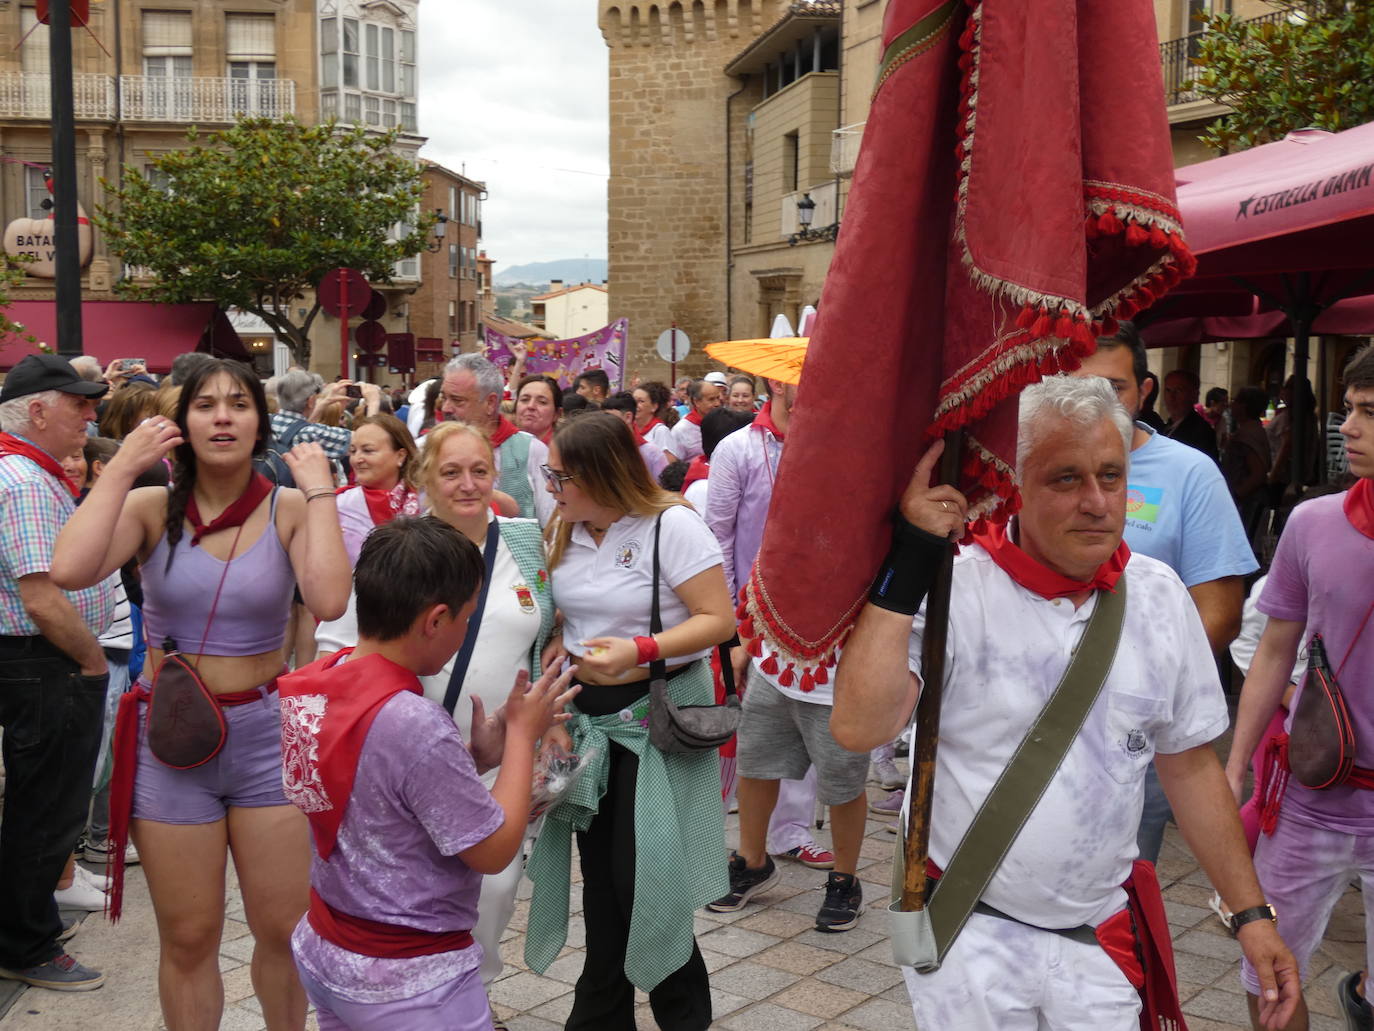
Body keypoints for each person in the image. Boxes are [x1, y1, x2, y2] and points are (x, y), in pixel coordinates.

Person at [833, 375, 1299, 1031]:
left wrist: (1252, 914)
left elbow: (1190, 765)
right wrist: (911, 557)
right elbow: (858, 727)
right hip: (970, 932)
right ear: (1014, 483)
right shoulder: (956, 586)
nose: (1098, 501)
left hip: (1097, 933)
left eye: (1112, 476)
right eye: (1065, 479)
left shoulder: (1160, 595)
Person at [50, 359, 351, 1030]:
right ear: (182, 423)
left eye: (238, 404)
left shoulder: (289, 507)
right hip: (171, 743)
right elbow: (69, 568)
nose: (222, 415)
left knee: (282, 929)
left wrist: (322, 491)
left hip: (267, 739)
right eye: (206, 405)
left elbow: (329, 598)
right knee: (189, 938)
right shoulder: (149, 506)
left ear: (260, 425)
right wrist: (124, 466)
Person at [282, 516, 577, 1031]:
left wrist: (476, 758)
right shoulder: (414, 720)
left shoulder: (317, 684)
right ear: (436, 620)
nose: (466, 632)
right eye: (467, 619)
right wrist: (521, 741)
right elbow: (492, 850)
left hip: (329, 946)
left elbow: (378, 792)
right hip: (410, 980)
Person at [316, 420, 555, 998]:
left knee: (496, 885)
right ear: (424, 477)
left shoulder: (527, 540)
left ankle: (474, 993)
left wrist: (547, 726)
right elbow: (339, 641)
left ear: (497, 475)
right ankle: (414, 993)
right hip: (408, 756)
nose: (468, 484)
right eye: (451, 472)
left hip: (500, 752)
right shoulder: (398, 547)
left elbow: (548, 630)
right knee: (415, 886)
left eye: (479, 470)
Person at [523, 412, 734, 1031]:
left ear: (601, 474)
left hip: (654, 725)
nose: (553, 486)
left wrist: (640, 649)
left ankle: (657, 1011)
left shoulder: (672, 526)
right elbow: (561, 608)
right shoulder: (564, 526)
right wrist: (561, 638)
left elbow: (717, 619)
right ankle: (618, 1011)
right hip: (587, 724)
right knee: (605, 885)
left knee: (643, 881)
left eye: (561, 475)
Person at [1226, 345, 1374, 1031]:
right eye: (1350, 410)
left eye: (1369, 413)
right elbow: (1271, 649)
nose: (1348, 427)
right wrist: (1233, 769)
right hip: (1311, 794)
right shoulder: (1313, 523)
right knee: (1270, 973)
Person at [1074, 323, 1256, 864]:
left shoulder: (1189, 473)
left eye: (1112, 389)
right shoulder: (1028, 464)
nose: (1093, 406)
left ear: (1144, 391)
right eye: (1078, 388)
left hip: (1135, 728)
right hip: (1031, 710)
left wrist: (1145, 692)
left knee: (1123, 885)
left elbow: (1220, 614)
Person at [0, 355, 113, 992]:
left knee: (43, 805)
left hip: (43, 661)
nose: (90, 414)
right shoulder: (22, 479)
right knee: (46, 809)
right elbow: (41, 597)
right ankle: (26, 944)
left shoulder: (25, 470)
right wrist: (90, 659)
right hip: (47, 663)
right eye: (78, 404)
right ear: (38, 410)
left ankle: (26, 927)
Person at [437, 353, 555, 525]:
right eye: (444, 398)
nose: (446, 408)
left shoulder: (531, 451)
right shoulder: (426, 449)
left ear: (491, 403)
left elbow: (551, 524)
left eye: (457, 400)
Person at [335, 414, 421, 564]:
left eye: (368, 450)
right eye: (353, 451)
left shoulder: (428, 502)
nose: (357, 459)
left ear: (400, 456)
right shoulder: (339, 506)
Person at [272, 369, 382, 464]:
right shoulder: (314, 433)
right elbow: (365, 441)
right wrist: (373, 402)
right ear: (311, 401)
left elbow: (297, 427)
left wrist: (325, 401)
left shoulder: (267, 421)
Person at [1224, 386, 1274, 543]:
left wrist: (1236, 496)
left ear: (1244, 406)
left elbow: (1258, 473)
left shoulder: (1248, 434)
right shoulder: (1252, 430)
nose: (1232, 405)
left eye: (1236, 401)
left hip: (1248, 503)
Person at [603, 391, 669, 481]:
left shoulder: (651, 453)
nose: (604, 422)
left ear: (628, 417)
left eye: (610, 418)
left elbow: (664, 487)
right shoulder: (602, 448)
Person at [1162, 368, 1219, 462]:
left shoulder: (1201, 432)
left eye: (1179, 390)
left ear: (1194, 395)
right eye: (1168, 390)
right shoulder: (1166, 427)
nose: (1171, 397)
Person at [667, 378, 724, 463]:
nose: (717, 403)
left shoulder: (724, 422)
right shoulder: (681, 430)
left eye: (718, 398)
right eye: (711, 399)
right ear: (696, 402)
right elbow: (674, 465)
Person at [514, 374, 563, 444]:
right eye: (524, 400)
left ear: (557, 414)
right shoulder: (501, 444)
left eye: (542, 402)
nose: (530, 406)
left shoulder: (564, 450)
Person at [633, 381, 677, 454]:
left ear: (654, 407)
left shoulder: (660, 431)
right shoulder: (629, 428)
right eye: (633, 401)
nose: (635, 405)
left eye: (641, 401)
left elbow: (669, 463)